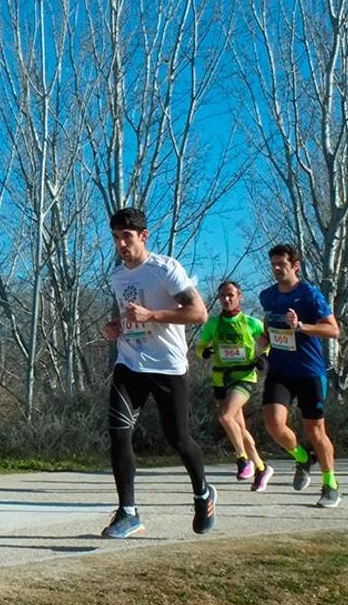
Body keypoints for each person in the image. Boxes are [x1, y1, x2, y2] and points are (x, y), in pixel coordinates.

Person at [101, 207, 215, 539]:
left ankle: (203, 494)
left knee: (178, 438)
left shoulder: (165, 269)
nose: (121, 244)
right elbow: (130, 317)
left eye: (127, 237)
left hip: (167, 366)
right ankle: (128, 512)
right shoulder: (118, 276)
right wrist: (116, 326)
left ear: (143, 236)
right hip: (130, 362)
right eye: (116, 238)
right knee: (118, 432)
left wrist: (152, 314)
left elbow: (198, 314)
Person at [258, 243, 342, 508]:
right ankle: (303, 457)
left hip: (309, 372)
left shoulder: (309, 294)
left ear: (295, 265)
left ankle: (330, 484)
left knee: (315, 430)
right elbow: (268, 328)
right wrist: (260, 343)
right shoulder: (267, 295)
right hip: (280, 370)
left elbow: (333, 330)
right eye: (273, 265)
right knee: (274, 424)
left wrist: (302, 326)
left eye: (281, 264)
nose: (277, 269)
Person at [195, 281, 275, 491]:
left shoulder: (252, 323)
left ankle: (242, 459)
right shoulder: (213, 324)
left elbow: (269, 344)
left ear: (239, 296)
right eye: (222, 296)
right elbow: (201, 345)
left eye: (230, 295)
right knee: (239, 427)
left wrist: (264, 358)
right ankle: (261, 467)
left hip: (244, 377)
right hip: (221, 378)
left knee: (225, 416)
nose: (226, 299)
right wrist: (203, 352)